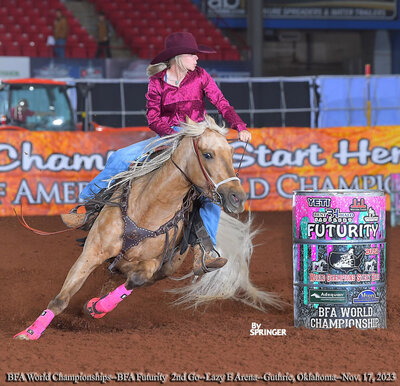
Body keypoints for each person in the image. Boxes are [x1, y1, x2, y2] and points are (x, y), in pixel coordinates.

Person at [78, 32, 251, 275]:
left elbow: (221, 103)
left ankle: (206, 252)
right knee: (119, 158)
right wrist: (173, 137)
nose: (196, 59)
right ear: (179, 58)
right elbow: (153, 117)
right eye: (193, 55)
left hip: (195, 141)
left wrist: (239, 125)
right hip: (167, 137)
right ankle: (85, 208)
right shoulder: (158, 82)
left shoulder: (201, 76)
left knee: (210, 193)